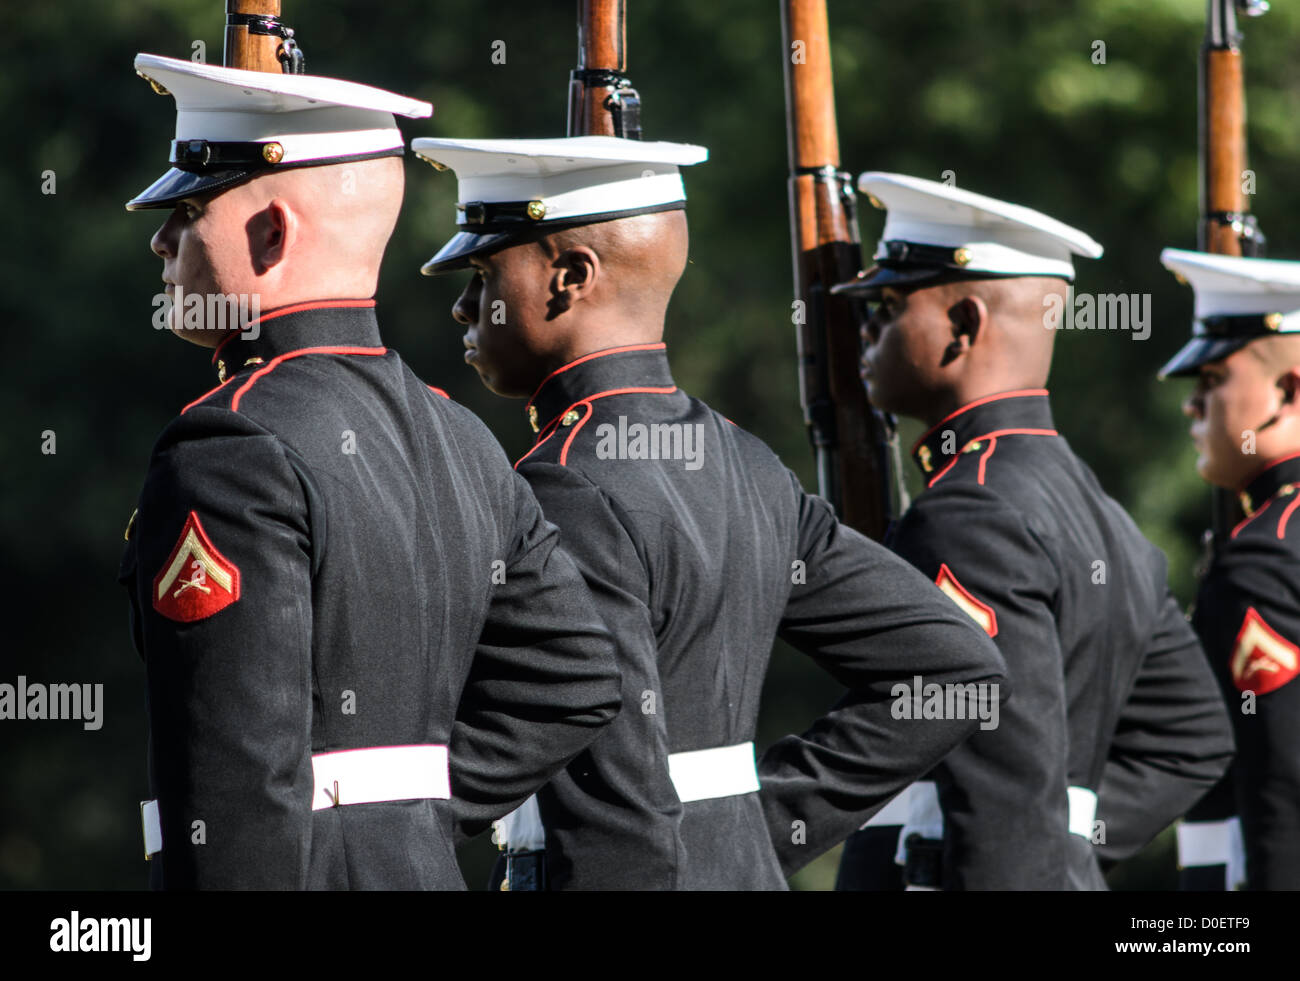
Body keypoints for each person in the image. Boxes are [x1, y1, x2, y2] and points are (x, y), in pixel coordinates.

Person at [412, 134, 1008, 890]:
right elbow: (957, 669)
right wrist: (752, 833)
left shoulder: (565, 483)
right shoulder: (746, 460)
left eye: (484, 272)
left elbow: (610, 806)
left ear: (569, 276)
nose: (465, 304)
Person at [119, 54, 622, 889]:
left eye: (189, 207)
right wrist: (403, 815)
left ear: (272, 233)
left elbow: (236, 781)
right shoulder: (461, 435)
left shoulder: (229, 446)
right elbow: (572, 679)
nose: (160, 237)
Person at [833, 173, 1234, 890]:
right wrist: (1073, 841)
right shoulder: (1103, 515)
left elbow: (1005, 800)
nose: (865, 331)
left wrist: (1048, 839)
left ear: (965, 324)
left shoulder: (968, 515)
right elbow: (1191, 738)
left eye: (889, 306)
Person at [1160, 248, 1300, 891]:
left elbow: (1283, 788)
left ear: (1288, 390)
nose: (1193, 406)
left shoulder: (1265, 556)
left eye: (1212, 380)